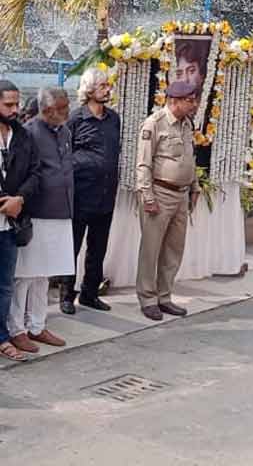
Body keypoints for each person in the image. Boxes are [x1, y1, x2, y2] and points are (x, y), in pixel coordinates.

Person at [8, 87, 73, 353]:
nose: (69, 112)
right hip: (36, 213)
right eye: (64, 108)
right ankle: (17, 330)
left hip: (62, 211)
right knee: (24, 276)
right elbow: (24, 174)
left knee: (44, 274)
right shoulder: (29, 133)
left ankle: (37, 325)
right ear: (48, 110)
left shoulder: (66, 131)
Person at [135, 80, 201, 320]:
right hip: (160, 194)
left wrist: (194, 186)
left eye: (193, 100)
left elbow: (189, 158)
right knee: (151, 249)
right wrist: (147, 196)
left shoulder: (187, 124)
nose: (193, 104)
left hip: (182, 195)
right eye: (189, 100)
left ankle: (165, 296)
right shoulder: (154, 124)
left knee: (174, 249)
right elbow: (143, 163)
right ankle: (147, 298)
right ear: (173, 101)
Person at [59, 68, 121, 313]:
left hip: (106, 196)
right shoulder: (75, 119)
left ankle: (90, 293)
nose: (108, 89)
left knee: (98, 248)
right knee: (71, 247)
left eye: (108, 85)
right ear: (89, 89)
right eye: (103, 85)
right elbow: (63, 155)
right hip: (80, 195)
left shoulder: (114, 118)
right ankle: (66, 295)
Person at [0, 81, 39, 362]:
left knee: (4, 285)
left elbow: (36, 173)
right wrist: (5, 201)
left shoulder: (23, 136)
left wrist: (20, 200)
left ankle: (1, 337)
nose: (15, 109)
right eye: (8, 105)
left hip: (10, 224)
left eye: (17, 104)